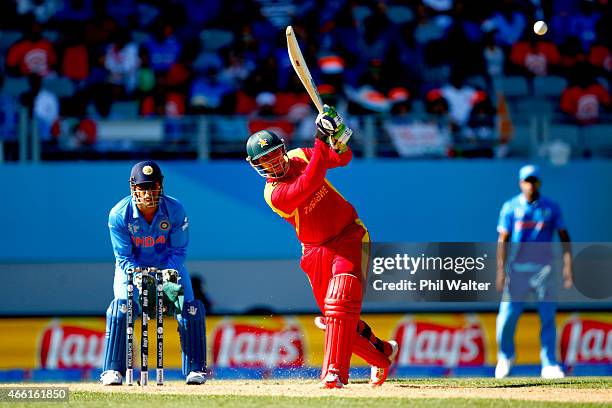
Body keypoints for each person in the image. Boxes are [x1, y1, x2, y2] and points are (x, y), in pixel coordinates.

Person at [245, 106, 398, 389]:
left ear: (283, 149)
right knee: (336, 319)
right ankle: (382, 354)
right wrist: (319, 138)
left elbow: (343, 158)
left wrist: (338, 136)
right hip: (315, 250)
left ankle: (334, 374)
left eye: (275, 154)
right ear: (257, 166)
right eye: (265, 161)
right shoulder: (274, 194)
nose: (274, 163)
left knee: (341, 302)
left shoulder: (300, 155)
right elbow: (309, 183)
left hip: (349, 234)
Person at [100, 161, 207, 385]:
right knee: (121, 309)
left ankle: (195, 370)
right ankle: (113, 370)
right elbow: (123, 258)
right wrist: (137, 275)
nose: (148, 193)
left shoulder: (175, 210)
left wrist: (167, 274)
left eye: (153, 187)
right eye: (143, 188)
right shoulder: (119, 214)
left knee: (190, 309)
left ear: (160, 187)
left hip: (169, 268)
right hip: (131, 270)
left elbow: (179, 250)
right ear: (133, 188)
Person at [495, 164, 573, 379]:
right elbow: (503, 239)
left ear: (539, 182)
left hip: (544, 270)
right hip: (517, 271)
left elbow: (564, 236)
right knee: (506, 318)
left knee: (547, 317)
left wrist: (568, 266)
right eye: (527, 181)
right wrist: (501, 271)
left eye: (534, 180)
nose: (530, 185)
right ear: (521, 183)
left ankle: (549, 363)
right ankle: (505, 356)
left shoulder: (551, 207)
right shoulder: (510, 207)